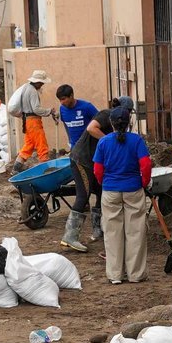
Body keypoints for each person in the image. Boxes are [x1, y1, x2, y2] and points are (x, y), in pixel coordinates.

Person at [94, 107, 153, 285]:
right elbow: (146, 165)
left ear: (111, 123)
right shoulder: (136, 141)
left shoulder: (103, 142)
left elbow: (98, 169)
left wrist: (104, 183)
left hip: (111, 190)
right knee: (135, 231)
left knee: (112, 232)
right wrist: (143, 183)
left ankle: (115, 275)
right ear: (129, 123)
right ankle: (135, 274)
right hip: (133, 189)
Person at [61, 108, 109, 254]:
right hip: (82, 160)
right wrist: (108, 139)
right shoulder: (106, 115)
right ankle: (69, 236)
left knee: (101, 190)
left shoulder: (115, 119)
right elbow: (91, 128)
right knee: (83, 195)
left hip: (93, 161)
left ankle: (98, 230)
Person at [8, 71, 51, 167]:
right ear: (38, 82)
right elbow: (36, 109)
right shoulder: (32, 91)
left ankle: (17, 167)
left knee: (29, 145)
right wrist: (49, 111)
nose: (42, 84)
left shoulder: (26, 88)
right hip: (34, 122)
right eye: (42, 82)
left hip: (27, 121)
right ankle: (46, 169)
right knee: (41, 144)